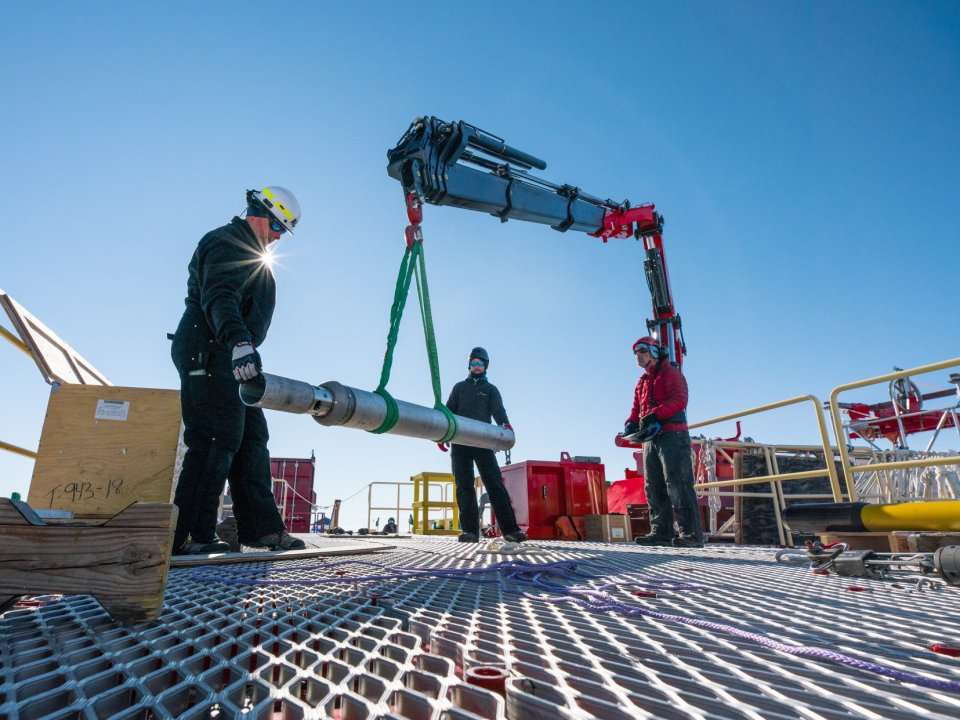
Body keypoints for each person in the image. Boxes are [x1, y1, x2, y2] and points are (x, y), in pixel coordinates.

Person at [170, 186, 307, 555]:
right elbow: (220, 295)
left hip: (229, 353)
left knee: (251, 439)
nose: (279, 238)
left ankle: (261, 530)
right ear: (265, 215)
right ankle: (187, 535)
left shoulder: (252, 253)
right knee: (214, 440)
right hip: (210, 350)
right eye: (278, 229)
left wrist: (241, 346)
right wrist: (239, 343)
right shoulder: (226, 242)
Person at [621, 336, 704, 548]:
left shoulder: (671, 373)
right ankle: (661, 532)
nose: (638, 356)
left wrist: (656, 414)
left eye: (642, 351)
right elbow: (635, 409)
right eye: (636, 353)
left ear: (655, 352)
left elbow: (679, 400)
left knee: (678, 484)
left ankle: (691, 535)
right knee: (654, 486)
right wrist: (631, 423)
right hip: (650, 439)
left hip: (672, 436)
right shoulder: (642, 381)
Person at [443, 347, 527, 543]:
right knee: (464, 486)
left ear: (485, 366)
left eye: (480, 363)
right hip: (460, 443)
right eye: (473, 363)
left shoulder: (490, 390)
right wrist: (442, 436)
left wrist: (506, 427)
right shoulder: (459, 388)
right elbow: (448, 412)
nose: (476, 366)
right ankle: (470, 532)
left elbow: (499, 412)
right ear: (469, 365)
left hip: (483, 442)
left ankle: (511, 531)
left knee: (495, 484)